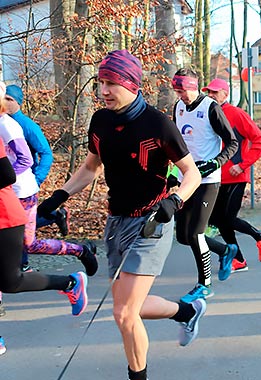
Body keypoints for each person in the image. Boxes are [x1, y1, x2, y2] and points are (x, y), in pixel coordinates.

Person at [36, 50, 206, 380]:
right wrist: (59, 195)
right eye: (101, 83)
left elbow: (192, 174)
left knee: (125, 313)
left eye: (111, 83)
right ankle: (188, 310)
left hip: (152, 223)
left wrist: (174, 201)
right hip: (116, 224)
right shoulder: (100, 120)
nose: (104, 91)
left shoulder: (158, 123)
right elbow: (90, 167)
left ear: (131, 84)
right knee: (130, 307)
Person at [0, 82, 88, 356]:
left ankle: (72, 280)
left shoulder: (11, 125)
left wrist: (38, 181)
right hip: (13, 201)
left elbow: (16, 168)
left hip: (11, 205)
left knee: (13, 277)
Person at [0, 85, 97, 276]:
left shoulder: (11, 126)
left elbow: (30, 158)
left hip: (22, 190)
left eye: (11, 99)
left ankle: (79, 251)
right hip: (10, 190)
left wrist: (26, 179)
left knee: (29, 243)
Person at [170, 68, 239, 303]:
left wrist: (215, 163)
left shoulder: (210, 107)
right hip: (186, 178)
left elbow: (233, 143)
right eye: (178, 91)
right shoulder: (178, 107)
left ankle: (204, 284)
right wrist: (171, 173)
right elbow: (175, 144)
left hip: (208, 181)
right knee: (182, 236)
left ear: (195, 86)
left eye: (185, 90)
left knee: (197, 233)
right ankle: (226, 250)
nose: (182, 96)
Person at [201, 78, 261, 273]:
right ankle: (238, 259)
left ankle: (260, 237)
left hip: (235, 176)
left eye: (215, 92)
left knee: (228, 219)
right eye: (209, 92)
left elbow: (260, 141)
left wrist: (242, 165)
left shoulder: (237, 114)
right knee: (217, 220)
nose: (211, 96)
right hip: (215, 177)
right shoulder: (206, 114)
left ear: (225, 94)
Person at [4, 85, 69, 237]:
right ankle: (56, 216)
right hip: (8, 182)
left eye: (10, 99)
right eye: (3, 99)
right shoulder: (3, 122)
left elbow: (46, 153)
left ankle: (55, 217)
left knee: (21, 228)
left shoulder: (28, 126)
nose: (5, 102)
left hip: (24, 183)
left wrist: (37, 178)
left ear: (18, 103)